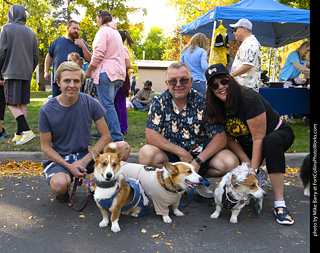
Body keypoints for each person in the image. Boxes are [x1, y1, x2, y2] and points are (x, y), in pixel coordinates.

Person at [204, 63, 295, 225]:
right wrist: (245, 160)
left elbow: (259, 137)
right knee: (239, 168)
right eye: (214, 85)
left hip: (276, 134)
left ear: (231, 79)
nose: (220, 87)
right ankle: (257, 181)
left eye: (224, 81)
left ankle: (280, 204)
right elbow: (229, 139)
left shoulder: (249, 98)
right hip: (249, 142)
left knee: (270, 143)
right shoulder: (216, 106)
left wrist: (252, 171)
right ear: (211, 90)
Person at [138, 62, 239, 198]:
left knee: (230, 162)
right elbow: (151, 136)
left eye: (184, 80)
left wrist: (198, 161)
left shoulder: (202, 102)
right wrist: (180, 152)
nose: (178, 84)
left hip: (199, 152)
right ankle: (174, 181)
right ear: (167, 83)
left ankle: (195, 178)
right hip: (172, 153)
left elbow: (220, 138)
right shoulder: (158, 101)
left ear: (191, 81)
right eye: (173, 81)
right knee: (146, 154)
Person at [39, 62, 130, 202]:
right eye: (67, 81)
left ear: (81, 82)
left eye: (76, 81)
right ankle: (65, 186)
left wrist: (84, 160)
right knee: (59, 185)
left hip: (86, 155)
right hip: (62, 158)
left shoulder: (90, 102)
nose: (72, 85)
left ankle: (104, 181)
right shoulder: (46, 110)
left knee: (123, 147)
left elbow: (106, 136)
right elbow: (45, 148)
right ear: (58, 82)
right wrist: (69, 166)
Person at [0, 4, 39, 145]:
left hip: (11, 72)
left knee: (10, 102)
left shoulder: (5, 29)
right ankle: (19, 134)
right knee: (22, 103)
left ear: (10, 14)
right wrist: (29, 69)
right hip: (26, 73)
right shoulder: (31, 32)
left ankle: (27, 131)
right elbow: (36, 56)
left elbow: (1, 53)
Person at [86, 10, 126, 142]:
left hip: (106, 73)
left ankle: (116, 137)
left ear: (100, 18)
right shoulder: (115, 33)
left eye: (96, 19)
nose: (96, 22)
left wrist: (89, 71)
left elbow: (98, 54)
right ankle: (103, 131)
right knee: (107, 106)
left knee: (107, 106)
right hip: (118, 74)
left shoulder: (103, 31)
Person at [44, 20, 91, 97]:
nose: (76, 31)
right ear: (67, 28)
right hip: (58, 81)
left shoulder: (81, 44)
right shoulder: (57, 41)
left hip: (74, 83)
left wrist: (84, 47)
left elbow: (90, 60)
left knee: (75, 106)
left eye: (78, 29)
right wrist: (46, 71)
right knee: (57, 106)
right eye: (74, 28)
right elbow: (49, 55)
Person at [229, 19, 261, 91]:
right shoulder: (248, 43)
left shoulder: (251, 44)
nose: (234, 33)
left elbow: (248, 65)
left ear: (244, 29)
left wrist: (232, 75)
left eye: (235, 29)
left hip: (246, 88)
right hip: (243, 87)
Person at [115, 29, 134, 134]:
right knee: (115, 103)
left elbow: (128, 65)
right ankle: (117, 125)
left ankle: (123, 128)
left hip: (122, 79)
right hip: (117, 78)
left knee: (121, 103)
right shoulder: (118, 49)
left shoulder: (123, 48)